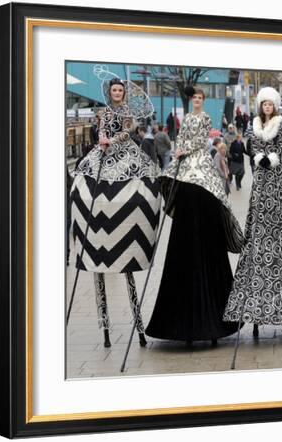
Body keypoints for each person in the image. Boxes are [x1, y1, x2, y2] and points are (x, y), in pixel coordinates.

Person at [145, 87, 244, 346]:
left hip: (198, 165)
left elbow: (201, 141)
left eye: (201, 98)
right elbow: (181, 138)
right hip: (184, 165)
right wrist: (179, 151)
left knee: (206, 190)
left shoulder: (205, 119)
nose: (198, 101)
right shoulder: (185, 118)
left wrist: (183, 151)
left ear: (203, 101)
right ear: (191, 101)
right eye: (195, 98)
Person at [70, 77, 161, 348]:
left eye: (121, 91)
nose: (118, 94)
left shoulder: (126, 113)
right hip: (102, 152)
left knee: (143, 185)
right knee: (81, 184)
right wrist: (101, 140)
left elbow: (127, 131)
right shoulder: (104, 111)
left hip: (123, 153)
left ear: (124, 94)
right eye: (115, 91)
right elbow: (100, 131)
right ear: (110, 93)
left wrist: (113, 139)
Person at [223, 87, 282, 338]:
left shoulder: (279, 124)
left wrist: (271, 157)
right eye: (263, 104)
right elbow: (250, 144)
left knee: (279, 211)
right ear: (260, 106)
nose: (267, 108)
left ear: (274, 106)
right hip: (260, 178)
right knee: (258, 210)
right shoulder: (254, 125)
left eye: (270, 104)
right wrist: (256, 156)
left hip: (275, 176)